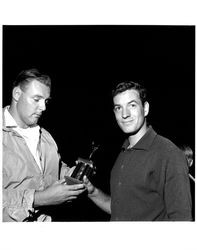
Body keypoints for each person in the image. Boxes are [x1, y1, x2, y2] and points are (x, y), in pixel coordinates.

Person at [84, 81, 192, 221]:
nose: (125, 114)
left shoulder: (169, 154)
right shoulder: (124, 151)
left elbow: (182, 222)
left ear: (145, 108)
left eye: (132, 105)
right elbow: (120, 210)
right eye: (118, 108)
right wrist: (93, 192)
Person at [3, 68, 86, 222]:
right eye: (36, 99)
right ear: (17, 94)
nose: (44, 107)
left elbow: (55, 170)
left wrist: (72, 175)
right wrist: (39, 198)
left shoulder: (45, 136)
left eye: (46, 101)